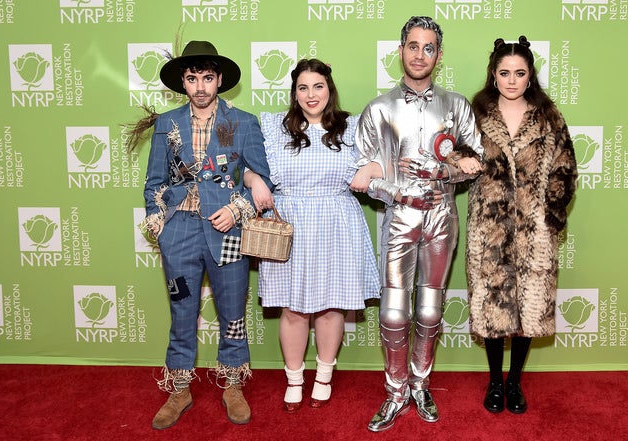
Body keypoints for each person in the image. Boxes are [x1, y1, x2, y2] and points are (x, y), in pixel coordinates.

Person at [352, 16, 483, 432]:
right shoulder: (378, 109)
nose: (420, 54)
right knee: (393, 314)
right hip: (398, 218)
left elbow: (476, 161)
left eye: (429, 48)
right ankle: (395, 392)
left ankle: (420, 385)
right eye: (413, 45)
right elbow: (362, 174)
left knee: (429, 310)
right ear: (400, 50)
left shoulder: (457, 106)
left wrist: (441, 171)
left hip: (443, 215)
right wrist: (396, 191)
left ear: (439, 55)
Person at [137, 40, 273, 429]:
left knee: (232, 312)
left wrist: (237, 209)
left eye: (207, 78)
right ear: (183, 81)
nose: (200, 86)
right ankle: (179, 388)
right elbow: (154, 182)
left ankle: (232, 385)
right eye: (193, 78)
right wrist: (157, 220)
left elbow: (261, 181)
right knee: (182, 311)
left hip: (226, 229)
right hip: (178, 231)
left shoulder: (242, 121)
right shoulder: (167, 123)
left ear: (219, 81)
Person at [253, 59, 381, 413]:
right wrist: (255, 180)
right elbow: (248, 166)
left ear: (330, 89)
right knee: (292, 309)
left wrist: (371, 167)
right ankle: (295, 379)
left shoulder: (353, 127)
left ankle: (324, 375)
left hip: (336, 221)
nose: (311, 95)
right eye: (303, 88)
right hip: (290, 222)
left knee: (330, 306)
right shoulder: (274, 127)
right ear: (295, 93)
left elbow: (387, 159)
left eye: (318, 86)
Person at [466, 36, 577, 415]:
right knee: (493, 308)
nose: (511, 80)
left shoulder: (548, 117)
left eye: (519, 73)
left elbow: (565, 167)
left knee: (529, 309)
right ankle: (495, 382)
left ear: (530, 77)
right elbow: (457, 157)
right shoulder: (475, 114)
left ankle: (515, 383)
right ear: (493, 75)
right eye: (504, 73)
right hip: (490, 229)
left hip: (534, 230)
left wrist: (552, 214)